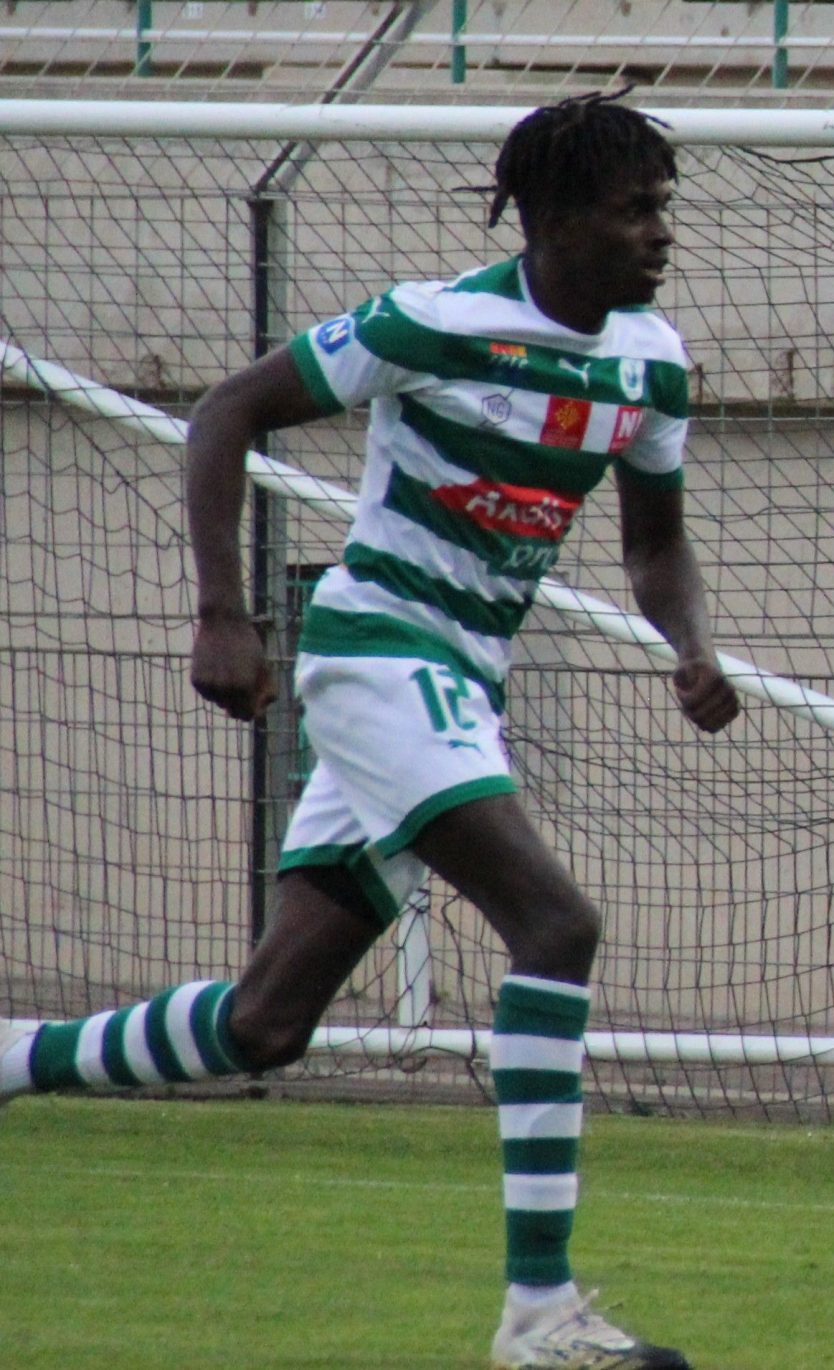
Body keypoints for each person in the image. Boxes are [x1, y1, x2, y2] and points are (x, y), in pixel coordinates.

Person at [0, 92, 736, 1370]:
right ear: (554, 218)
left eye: (663, 207)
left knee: (265, 1022)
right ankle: (541, 1315)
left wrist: (691, 643)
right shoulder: (431, 323)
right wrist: (222, 611)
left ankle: (12, 1055)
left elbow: (655, 543)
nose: (660, 232)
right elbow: (227, 409)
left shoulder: (650, 362)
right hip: (381, 653)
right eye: (636, 209)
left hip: (462, 679)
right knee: (557, 925)